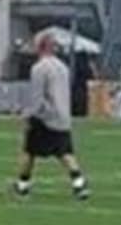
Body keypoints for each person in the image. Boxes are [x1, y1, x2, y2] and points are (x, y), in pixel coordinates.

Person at [13, 30, 90, 200]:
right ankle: (79, 183)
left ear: (40, 47)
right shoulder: (63, 67)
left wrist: (28, 114)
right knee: (65, 152)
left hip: (45, 116)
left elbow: (38, 96)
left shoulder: (39, 68)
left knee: (29, 151)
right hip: (62, 114)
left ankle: (22, 184)